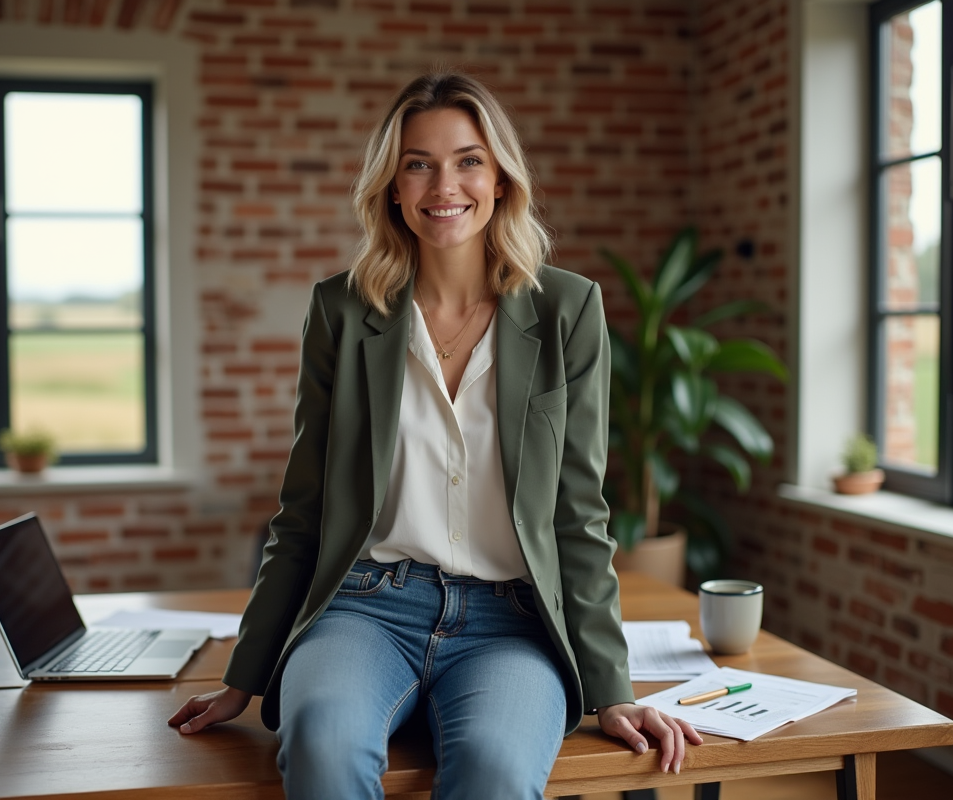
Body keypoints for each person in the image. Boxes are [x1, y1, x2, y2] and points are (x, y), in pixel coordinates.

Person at [169, 71, 701, 799]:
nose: (442, 184)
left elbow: (578, 512)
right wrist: (244, 676)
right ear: (392, 185)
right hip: (364, 607)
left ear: (502, 179)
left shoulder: (567, 310)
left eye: (468, 160)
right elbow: (303, 509)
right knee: (322, 746)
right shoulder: (342, 311)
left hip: (509, 623)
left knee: (497, 771)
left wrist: (612, 688)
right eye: (418, 162)